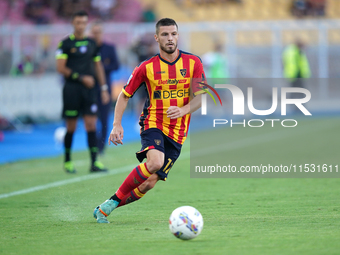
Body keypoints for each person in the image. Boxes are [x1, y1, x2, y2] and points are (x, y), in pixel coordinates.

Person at [93, 18, 207, 223]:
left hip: (178, 132)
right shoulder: (146, 67)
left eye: (173, 34)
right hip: (153, 122)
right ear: (157, 38)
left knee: (148, 184)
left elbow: (201, 97)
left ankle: (106, 207)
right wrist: (116, 124)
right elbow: (124, 95)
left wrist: (183, 110)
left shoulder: (193, 63)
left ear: (178, 36)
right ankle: (112, 201)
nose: (170, 38)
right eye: (165, 34)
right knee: (155, 162)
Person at [56, 10, 110, 173]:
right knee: (71, 126)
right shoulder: (65, 44)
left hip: (90, 90)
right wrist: (81, 78)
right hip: (72, 90)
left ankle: (94, 162)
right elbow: (60, 68)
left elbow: (98, 66)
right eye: (78, 22)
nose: (80, 26)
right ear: (73, 23)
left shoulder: (92, 44)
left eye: (83, 23)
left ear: (86, 24)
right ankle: (67, 161)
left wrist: (104, 88)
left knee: (91, 123)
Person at [91, 22, 120, 154]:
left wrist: (101, 68)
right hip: (90, 89)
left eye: (98, 32)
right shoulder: (88, 48)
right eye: (94, 32)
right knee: (90, 118)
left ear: (101, 33)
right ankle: (92, 144)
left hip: (105, 88)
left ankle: (101, 146)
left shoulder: (109, 48)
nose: (95, 34)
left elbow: (116, 65)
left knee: (103, 118)